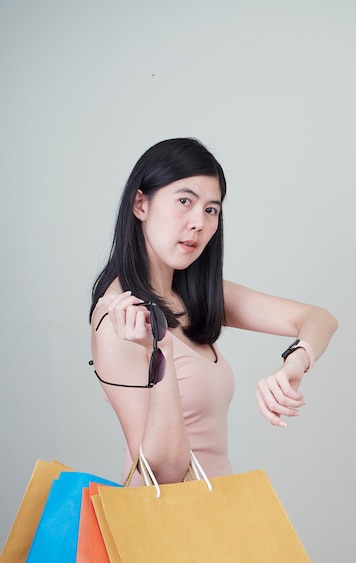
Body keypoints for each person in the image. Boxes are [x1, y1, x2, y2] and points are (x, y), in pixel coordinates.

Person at [89, 138, 338, 485]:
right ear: (141, 204)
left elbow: (319, 319)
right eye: (184, 202)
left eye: (211, 209)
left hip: (218, 518)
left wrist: (295, 362)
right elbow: (161, 472)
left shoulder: (195, 295)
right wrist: (161, 351)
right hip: (165, 528)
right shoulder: (117, 317)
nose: (198, 223)